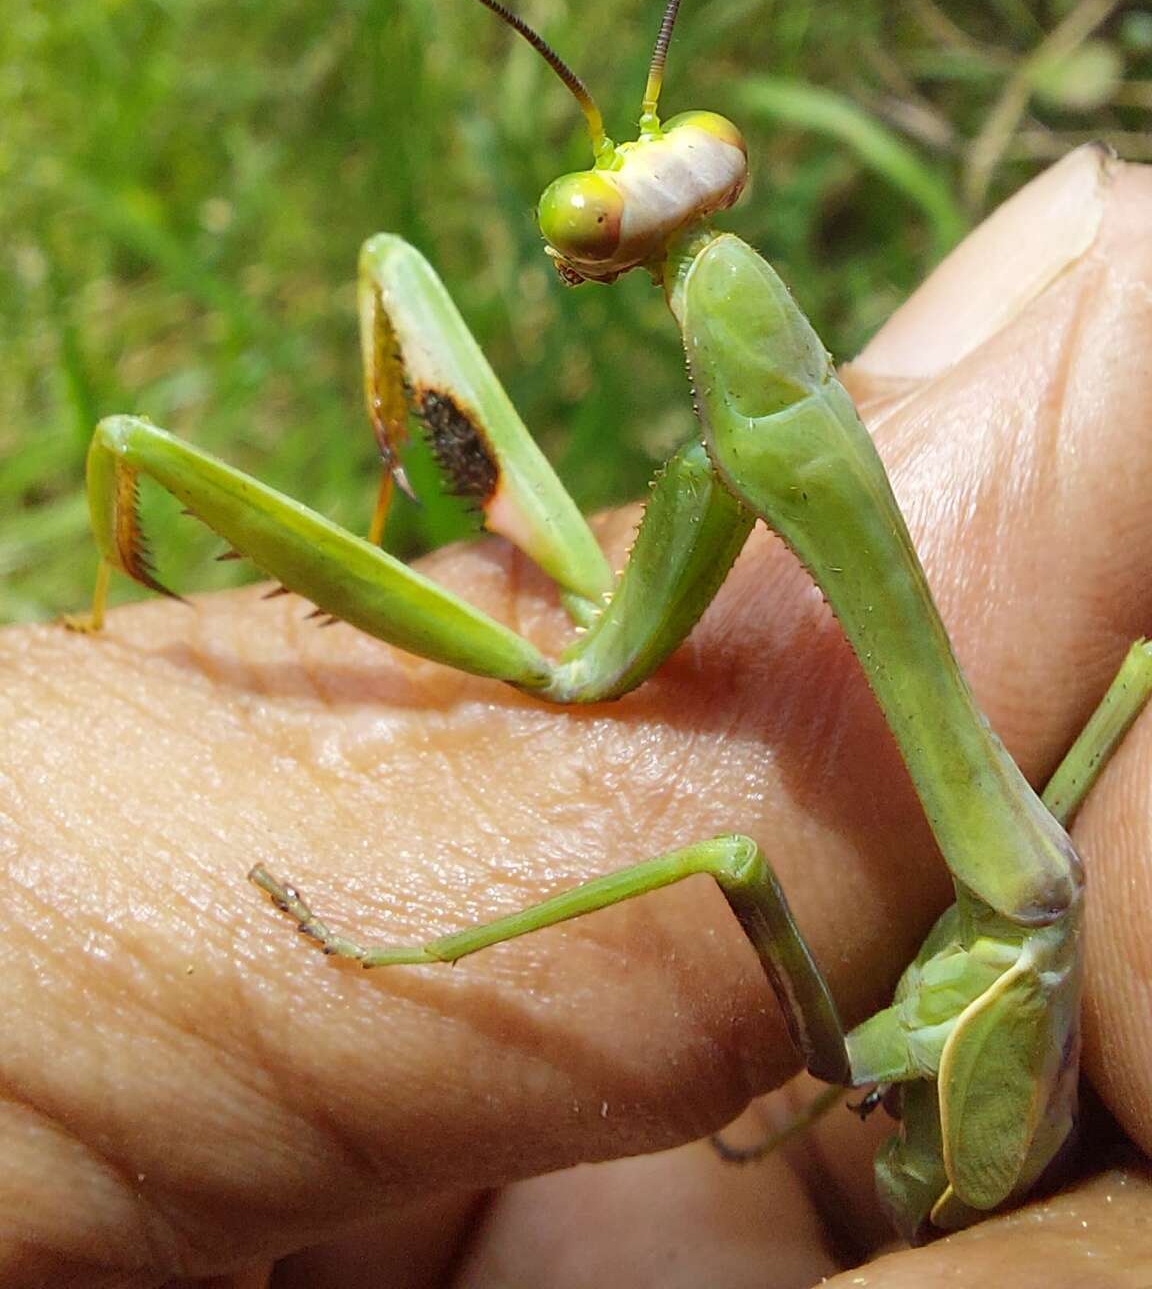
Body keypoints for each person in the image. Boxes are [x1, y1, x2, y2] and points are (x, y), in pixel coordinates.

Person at [4, 145, 1151, 1287]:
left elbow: (594, 672)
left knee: (728, 852)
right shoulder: (779, 395)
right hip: (1009, 952)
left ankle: (427, 946)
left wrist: (405, 938)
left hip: (965, 1133)